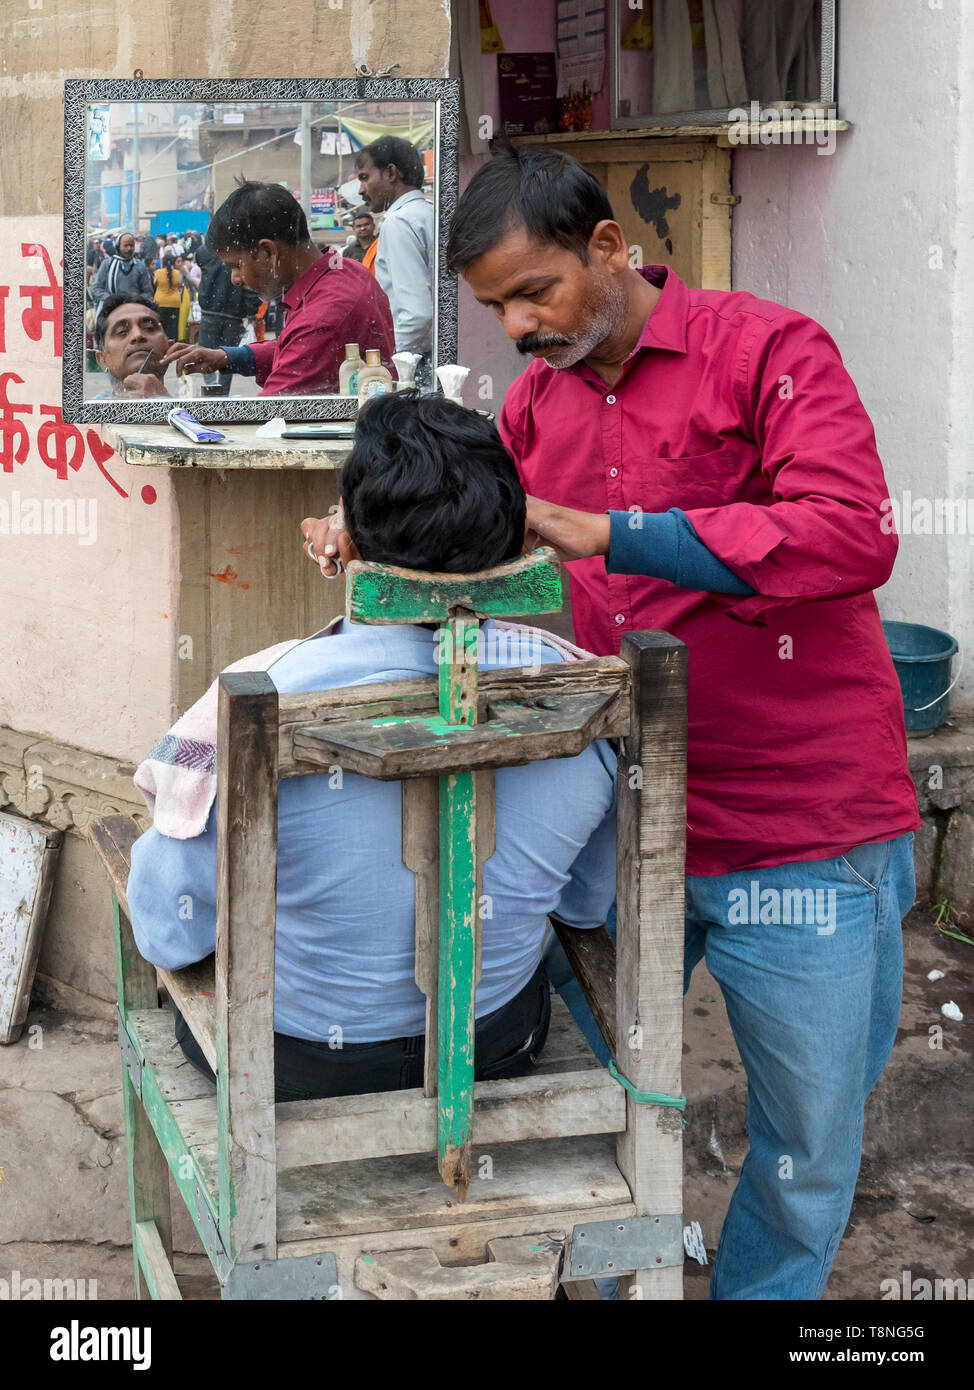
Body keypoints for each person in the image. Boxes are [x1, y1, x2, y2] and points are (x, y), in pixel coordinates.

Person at [303, 144, 923, 1302]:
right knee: (565, 1110)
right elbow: (483, 532)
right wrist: (367, 535)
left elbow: (847, 534)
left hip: (800, 827)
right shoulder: (538, 402)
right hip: (612, 821)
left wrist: (615, 530)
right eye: (494, 307)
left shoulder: (767, 352)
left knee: (801, 1146)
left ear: (606, 248)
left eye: (534, 291)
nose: (519, 327)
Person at [126, 392, 617, 1103]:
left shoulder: (253, 697)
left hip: (295, 1065)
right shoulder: (590, 691)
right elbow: (583, 904)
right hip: (498, 1044)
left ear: (347, 544)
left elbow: (169, 931)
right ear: (520, 542)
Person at [161, 180, 395, 395]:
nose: (235, 279)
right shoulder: (347, 270)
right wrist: (227, 357)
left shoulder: (323, 318)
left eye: (236, 266)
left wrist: (162, 405)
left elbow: (268, 416)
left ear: (267, 252)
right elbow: (297, 348)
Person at [356, 138, 434, 368]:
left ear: (391, 173)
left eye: (364, 177)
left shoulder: (398, 222)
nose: (361, 189)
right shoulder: (428, 213)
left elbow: (416, 315)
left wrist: (388, 366)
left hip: (415, 361)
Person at [91, 294, 171, 398]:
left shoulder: (193, 405)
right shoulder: (88, 411)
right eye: (122, 332)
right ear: (102, 359)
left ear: (169, 348)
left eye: (149, 328)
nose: (137, 335)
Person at [88, 231, 154, 309]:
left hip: (135, 308)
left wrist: (136, 300)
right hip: (111, 307)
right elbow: (96, 288)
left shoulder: (140, 266)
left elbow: (148, 292)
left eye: (132, 245)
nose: (129, 248)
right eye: (125, 246)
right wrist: (111, 299)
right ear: (118, 246)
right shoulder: (107, 264)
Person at [151, 252, 182, 340]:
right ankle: (172, 347)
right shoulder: (177, 273)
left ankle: (161, 347)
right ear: (173, 262)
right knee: (173, 329)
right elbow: (179, 285)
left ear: (163, 262)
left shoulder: (158, 272)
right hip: (174, 303)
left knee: (161, 328)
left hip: (161, 303)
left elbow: (155, 284)